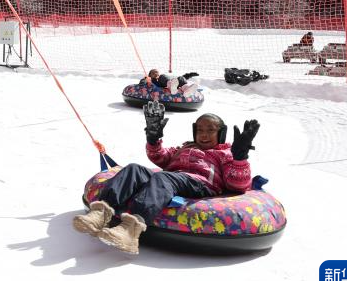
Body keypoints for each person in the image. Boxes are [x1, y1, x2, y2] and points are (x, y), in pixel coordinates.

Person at [73, 103, 260, 254]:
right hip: (172, 178)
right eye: (200, 129)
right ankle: (100, 212)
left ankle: (130, 229)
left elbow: (237, 185)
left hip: (200, 184)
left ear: (221, 133)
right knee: (134, 169)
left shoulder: (225, 153)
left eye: (210, 130)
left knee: (163, 178)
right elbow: (160, 157)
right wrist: (153, 139)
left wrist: (240, 157)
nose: (204, 134)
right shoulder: (186, 147)